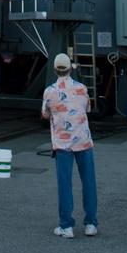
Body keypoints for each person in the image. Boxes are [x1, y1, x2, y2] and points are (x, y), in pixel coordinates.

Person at [41, 52, 98, 238]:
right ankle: (91, 224)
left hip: (62, 144)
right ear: (70, 68)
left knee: (64, 184)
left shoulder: (50, 91)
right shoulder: (82, 88)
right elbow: (87, 108)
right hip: (83, 140)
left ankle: (66, 226)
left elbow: (45, 115)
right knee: (88, 182)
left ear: (55, 69)